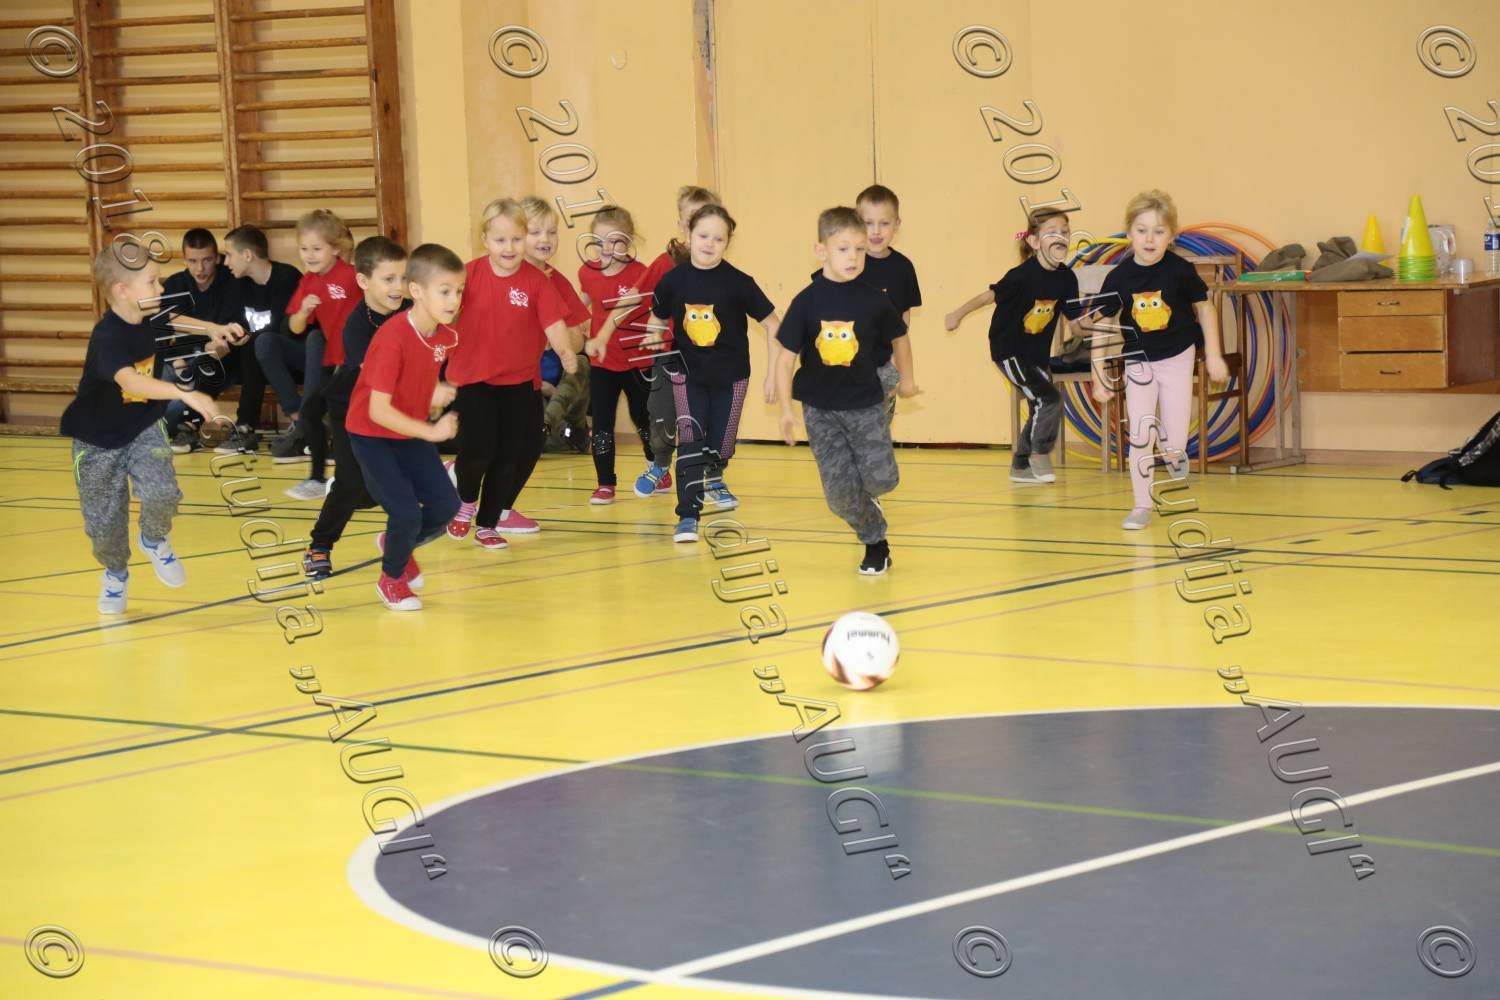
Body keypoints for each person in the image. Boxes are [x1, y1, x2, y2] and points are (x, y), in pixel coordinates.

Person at [63, 250, 224, 613]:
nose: (161, 287)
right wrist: (185, 393)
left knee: (163, 492)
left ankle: (153, 539)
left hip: (142, 426)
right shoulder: (107, 336)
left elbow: (174, 323)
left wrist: (213, 330)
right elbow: (132, 382)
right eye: (152, 282)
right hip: (96, 440)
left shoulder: (149, 316)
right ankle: (115, 574)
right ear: (122, 290)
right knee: (105, 525)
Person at [775, 206, 918, 574]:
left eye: (859, 249)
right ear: (821, 250)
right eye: (843, 249)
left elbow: (900, 338)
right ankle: (875, 541)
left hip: (865, 404)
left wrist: (907, 378)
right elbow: (785, 359)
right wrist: (786, 411)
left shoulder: (873, 299)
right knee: (839, 498)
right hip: (819, 410)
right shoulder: (806, 302)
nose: (853, 257)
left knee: (881, 479)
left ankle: (868, 495)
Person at [1086, 189, 1228, 530]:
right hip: (1139, 360)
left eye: (1158, 231)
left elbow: (1205, 308)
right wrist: (1097, 374)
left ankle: (1173, 451)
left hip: (1178, 356)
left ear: (1171, 236)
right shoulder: (1119, 277)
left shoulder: (1180, 270)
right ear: (1129, 233)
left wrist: (1214, 356)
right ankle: (1141, 506)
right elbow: (1102, 324)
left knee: (1175, 441)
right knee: (1140, 434)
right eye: (1142, 230)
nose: (1149, 239)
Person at [446, 198, 576, 549]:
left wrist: (565, 351)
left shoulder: (536, 281)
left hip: (517, 385)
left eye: (517, 239)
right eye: (500, 240)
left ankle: (488, 524)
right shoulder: (468, 275)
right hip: (473, 381)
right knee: (477, 451)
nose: (509, 248)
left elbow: (553, 322)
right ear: (485, 240)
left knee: (508, 457)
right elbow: (442, 310)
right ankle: (465, 502)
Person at [647, 204, 780, 541]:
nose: (709, 243)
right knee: (690, 442)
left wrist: (773, 374)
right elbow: (658, 316)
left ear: (728, 243)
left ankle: (714, 473)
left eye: (718, 239)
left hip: (731, 378)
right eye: (703, 235)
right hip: (687, 376)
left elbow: (773, 325)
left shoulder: (739, 283)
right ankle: (687, 516)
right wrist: (653, 336)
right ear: (688, 235)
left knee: (720, 446)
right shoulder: (672, 281)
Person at [345, 243, 464, 611]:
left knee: (446, 506)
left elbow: (414, 384)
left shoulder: (445, 336)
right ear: (417, 291)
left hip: (407, 430)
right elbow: (378, 410)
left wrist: (434, 394)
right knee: (406, 513)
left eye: (458, 291)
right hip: (372, 434)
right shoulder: (392, 338)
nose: (454, 300)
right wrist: (431, 431)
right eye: (444, 291)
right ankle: (391, 579)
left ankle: (396, 543)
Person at [597, 185, 721, 497]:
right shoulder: (665, 263)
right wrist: (604, 333)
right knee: (661, 412)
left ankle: (707, 473)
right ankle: (661, 464)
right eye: (692, 220)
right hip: (668, 355)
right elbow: (632, 298)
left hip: (705, 359)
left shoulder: (722, 270)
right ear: (681, 225)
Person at [946, 207, 1086, 484]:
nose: (1061, 237)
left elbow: (1076, 323)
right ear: (1034, 242)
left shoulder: (1067, 278)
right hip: (1009, 350)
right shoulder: (1021, 276)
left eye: (1065, 232)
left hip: (1037, 354)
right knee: (1049, 399)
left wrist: (1099, 327)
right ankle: (1039, 454)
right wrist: (957, 314)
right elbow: (988, 296)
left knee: (1040, 405)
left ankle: (1020, 467)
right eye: (1052, 232)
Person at [301, 236, 408, 578]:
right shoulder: (357, 325)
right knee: (351, 485)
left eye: (403, 278)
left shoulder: (413, 311)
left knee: (380, 490)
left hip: (394, 409)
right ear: (363, 280)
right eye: (388, 279)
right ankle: (319, 546)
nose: (398, 287)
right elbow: (379, 375)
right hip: (351, 408)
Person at [265, 210, 359, 502]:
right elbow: (294, 328)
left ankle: (350, 480)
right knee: (310, 413)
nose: (309, 255)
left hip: (358, 362)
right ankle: (318, 478)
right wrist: (304, 311)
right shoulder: (308, 281)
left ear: (336, 248)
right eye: (304, 249)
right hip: (334, 361)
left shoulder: (352, 276)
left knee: (348, 421)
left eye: (317, 249)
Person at [578, 206, 658, 504]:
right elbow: (584, 300)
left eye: (615, 241)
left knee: (642, 418)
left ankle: (656, 465)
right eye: (600, 242)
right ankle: (605, 482)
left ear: (630, 240)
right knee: (602, 422)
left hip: (638, 362)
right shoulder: (587, 272)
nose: (607, 248)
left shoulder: (641, 273)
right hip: (603, 362)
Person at [154, 228, 248, 453]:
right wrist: (176, 361)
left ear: (217, 258)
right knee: (155, 385)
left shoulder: (232, 283)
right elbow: (160, 329)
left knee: (178, 403)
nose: (200, 268)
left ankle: (186, 426)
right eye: (193, 261)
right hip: (178, 360)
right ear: (184, 259)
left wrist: (210, 348)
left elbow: (228, 339)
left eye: (206, 260)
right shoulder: (175, 285)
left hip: (217, 363)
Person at [518, 195, 591, 454]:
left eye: (551, 232)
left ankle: (546, 425)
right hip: (525, 382)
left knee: (581, 363)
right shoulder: (508, 279)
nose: (545, 239)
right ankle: (560, 431)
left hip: (559, 383)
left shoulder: (557, 281)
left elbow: (578, 340)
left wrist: (555, 338)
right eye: (535, 232)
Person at [219, 224, 301, 455]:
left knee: (257, 343)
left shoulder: (288, 278)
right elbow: (229, 323)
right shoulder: (237, 283)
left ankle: (246, 426)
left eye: (229, 255)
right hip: (254, 363)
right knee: (213, 358)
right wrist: (226, 338)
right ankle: (188, 421)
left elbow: (286, 331)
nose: (225, 262)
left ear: (247, 255)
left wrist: (246, 338)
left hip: (291, 361)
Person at [847, 185, 920, 428]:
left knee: (877, 432)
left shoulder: (903, 268)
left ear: (897, 224)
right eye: (868, 223)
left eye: (884, 223)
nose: (876, 231)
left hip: (883, 365)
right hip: (846, 363)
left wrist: (900, 365)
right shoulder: (845, 261)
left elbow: (903, 320)